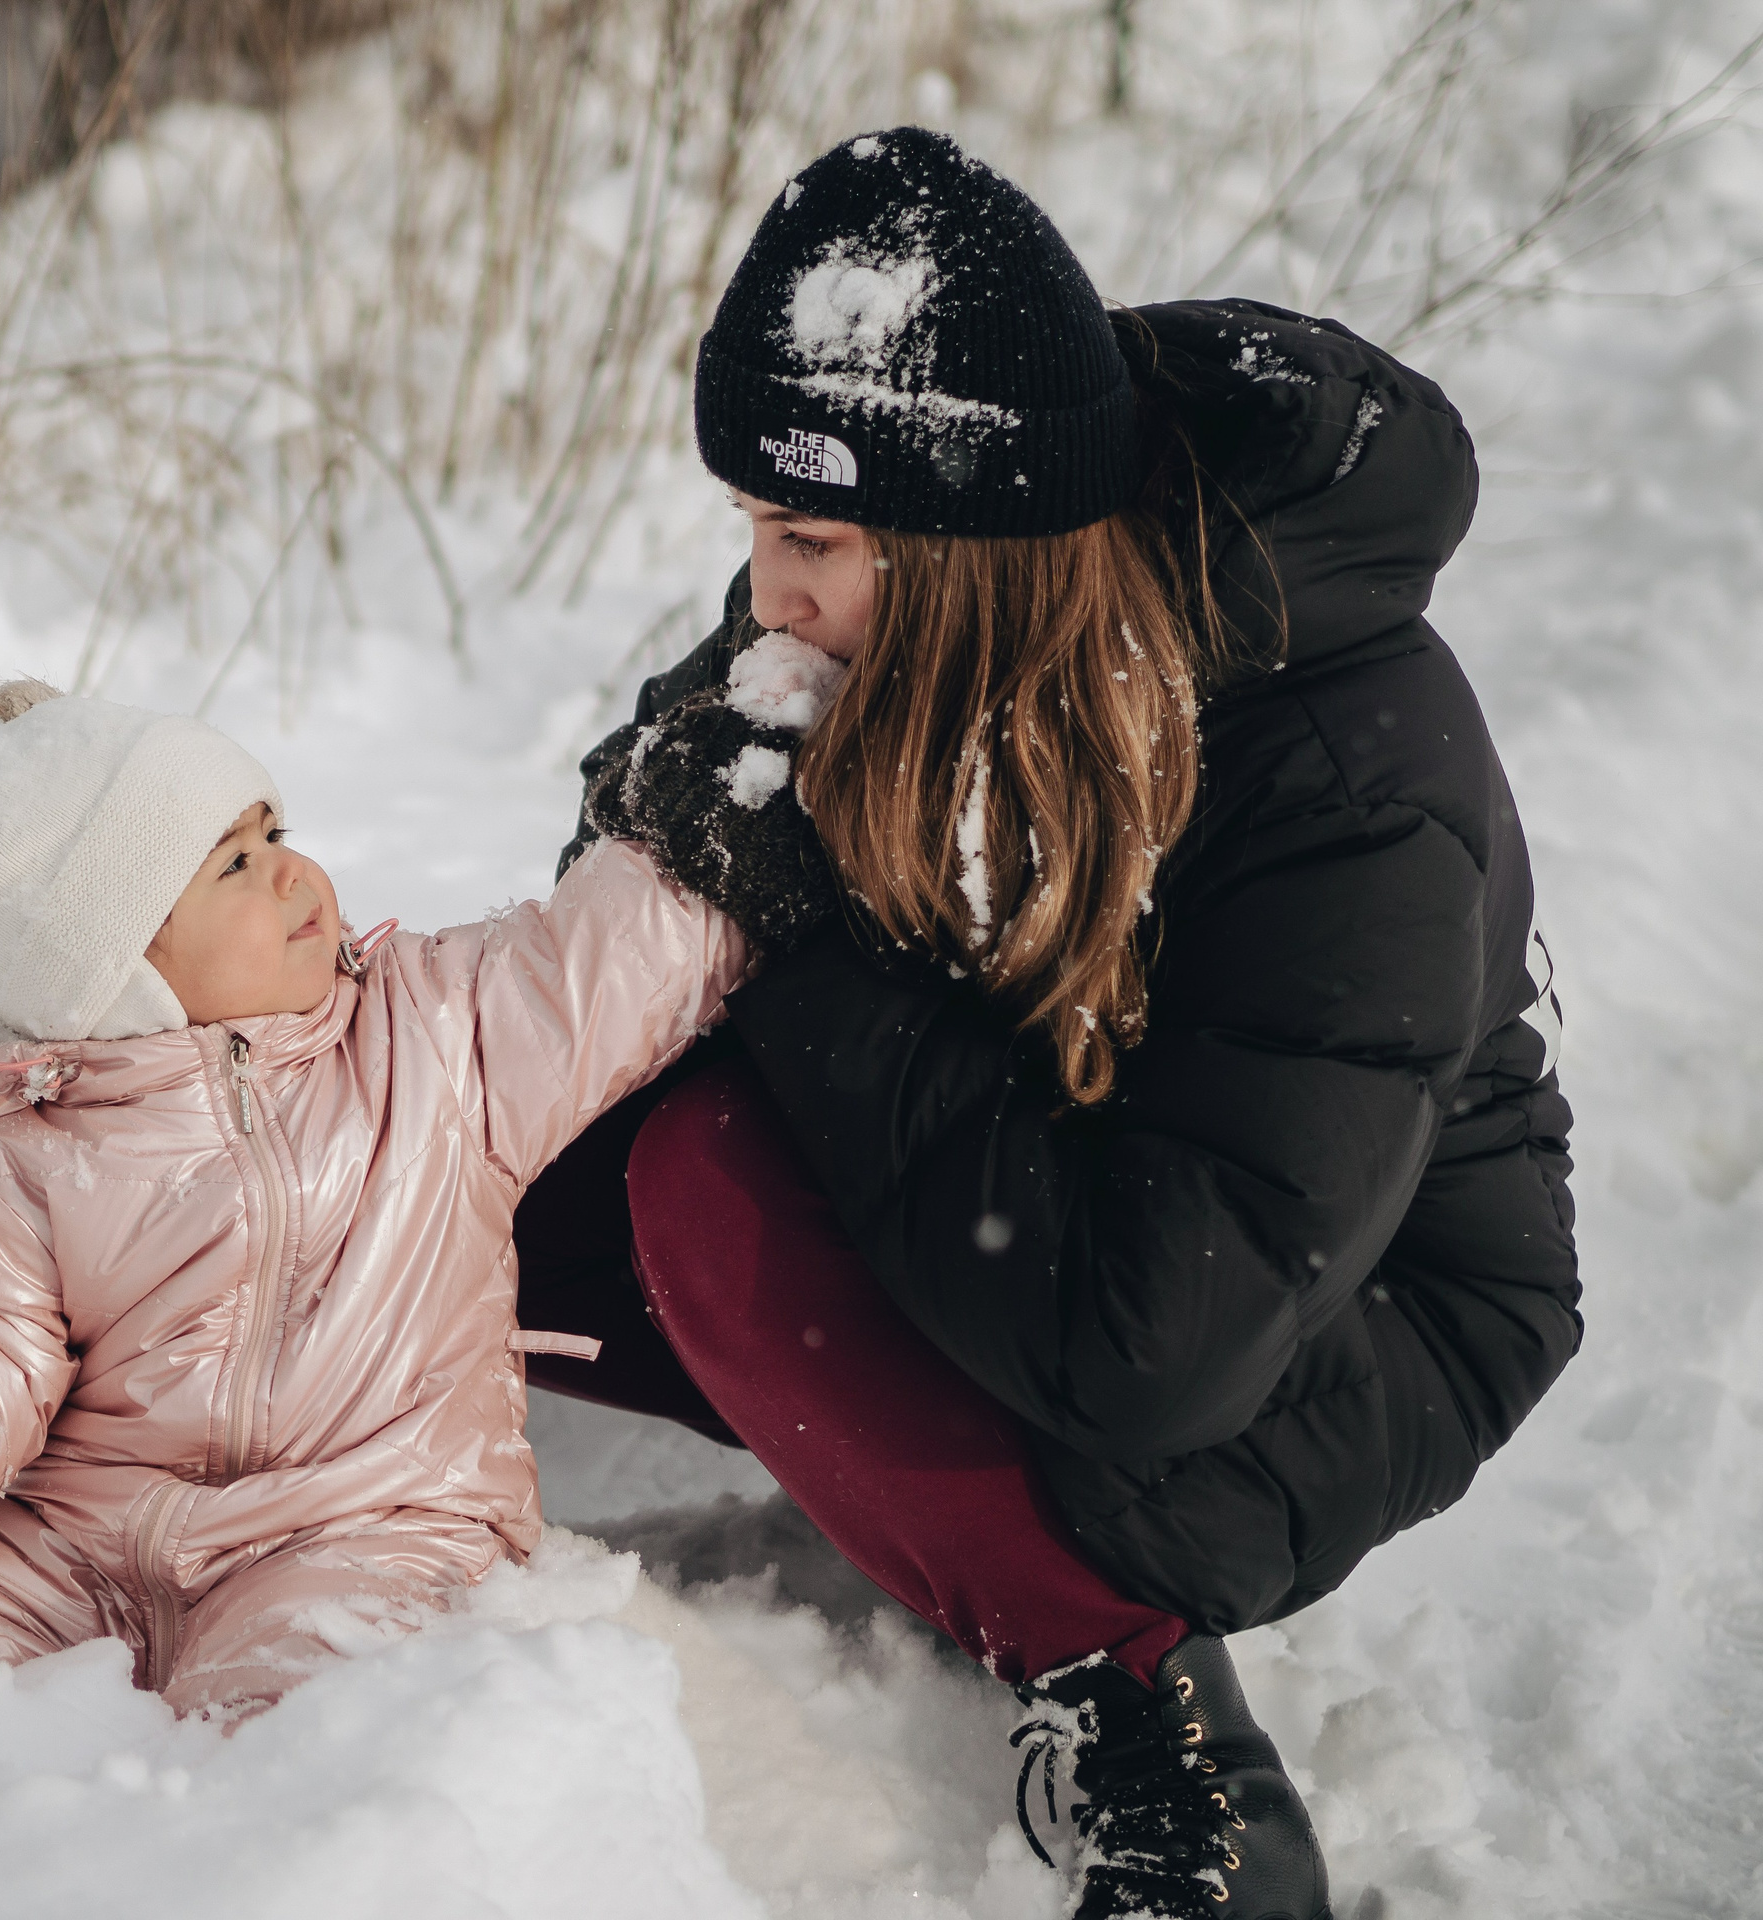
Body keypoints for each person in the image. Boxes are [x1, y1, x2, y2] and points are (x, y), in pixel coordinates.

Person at [517, 127, 1581, 1920]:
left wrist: (814, 942)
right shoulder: (872, 604)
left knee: (710, 1182)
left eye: (807, 540)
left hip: (1338, 1323)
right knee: (522, 1180)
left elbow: (1156, 1347)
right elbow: (637, 920)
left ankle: (1145, 1710)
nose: (767, 596)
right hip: (1045, 1192)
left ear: (966, 543)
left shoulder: (1353, 771)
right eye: (757, 534)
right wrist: (667, 829)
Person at [0, 677, 745, 1721]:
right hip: (77, 1536)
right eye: (236, 864)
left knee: (320, 1692)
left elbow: (590, 974)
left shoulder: (430, 1034)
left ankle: (259, 1848)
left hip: (368, 1517)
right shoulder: (24, 1149)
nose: (292, 870)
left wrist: (704, 830)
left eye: (274, 831)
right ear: (111, 966)